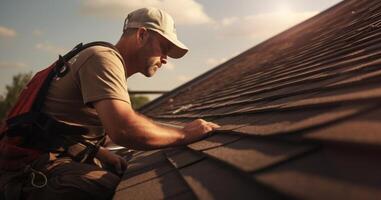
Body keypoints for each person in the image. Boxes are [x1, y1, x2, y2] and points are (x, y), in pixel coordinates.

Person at [0, 7, 219, 200]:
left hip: (34, 163)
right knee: (117, 188)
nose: (165, 59)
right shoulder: (103, 58)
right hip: (26, 173)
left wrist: (100, 153)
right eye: (164, 48)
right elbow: (124, 128)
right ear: (142, 35)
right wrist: (184, 134)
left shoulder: (101, 60)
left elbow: (58, 127)